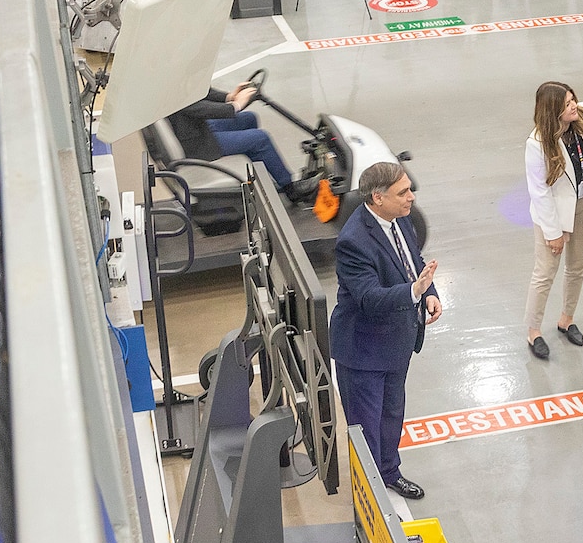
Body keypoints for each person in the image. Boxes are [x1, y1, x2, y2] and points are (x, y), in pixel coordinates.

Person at [330, 162, 441, 501]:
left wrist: (431, 293)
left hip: (397, 342)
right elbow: (369, 298)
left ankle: (389, 472)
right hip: (364, 350)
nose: (411, 197)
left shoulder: (400, 219)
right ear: (377, 198)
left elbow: (413, 261)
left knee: (392, 413)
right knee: (366, 427)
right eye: (403, 192)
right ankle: (369, 493)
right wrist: (415, 292)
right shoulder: (353, 242)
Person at [523, 81, 583, 359]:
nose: (574, 105)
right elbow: (539, 192)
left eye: (573, 99)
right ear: (553, 109)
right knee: (544, 273)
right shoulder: (537, 144)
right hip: (554, 217)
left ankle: (566, 319)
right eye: (567, 103)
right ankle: (533, 332)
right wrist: (554, 232)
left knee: (577, 266)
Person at [167, 83, 299, 195]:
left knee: (248, 118)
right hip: (196, 144)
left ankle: (263, 181)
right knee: (260, 139)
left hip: (196, 130)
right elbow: (194, 106)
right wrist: (235, 105)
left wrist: (229, 97)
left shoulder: (171, 76)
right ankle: (291, 189)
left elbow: (195, 91)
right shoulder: (167, 83)